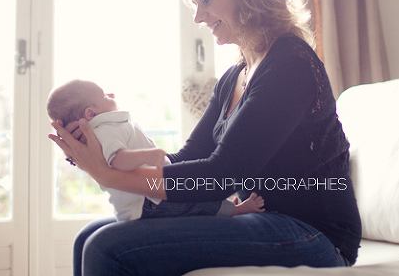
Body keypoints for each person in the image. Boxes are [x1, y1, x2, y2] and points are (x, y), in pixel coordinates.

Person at [49, 0, 362, 275]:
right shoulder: (233, 78)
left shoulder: (290, 63)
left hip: (316, 235)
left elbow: (221, 176)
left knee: (106, 247)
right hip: (266, 219)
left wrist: (107, 174)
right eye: (195, 4)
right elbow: (187, 161)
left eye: (206, 0)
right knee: (88, 237)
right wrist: (98, 147)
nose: (198, 16)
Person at [47, 78, 266, 221]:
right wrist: (148, 155)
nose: (111, 95)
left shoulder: (103, 131)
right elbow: (117, 160)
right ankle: (235, 210)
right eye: (104, 95)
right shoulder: (106, 130)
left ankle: (229, 209)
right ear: (90, 114)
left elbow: (108, 167)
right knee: (191, 205)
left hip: (143, 202)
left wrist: (101, 171)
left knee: (95, 242)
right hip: (149, 202)